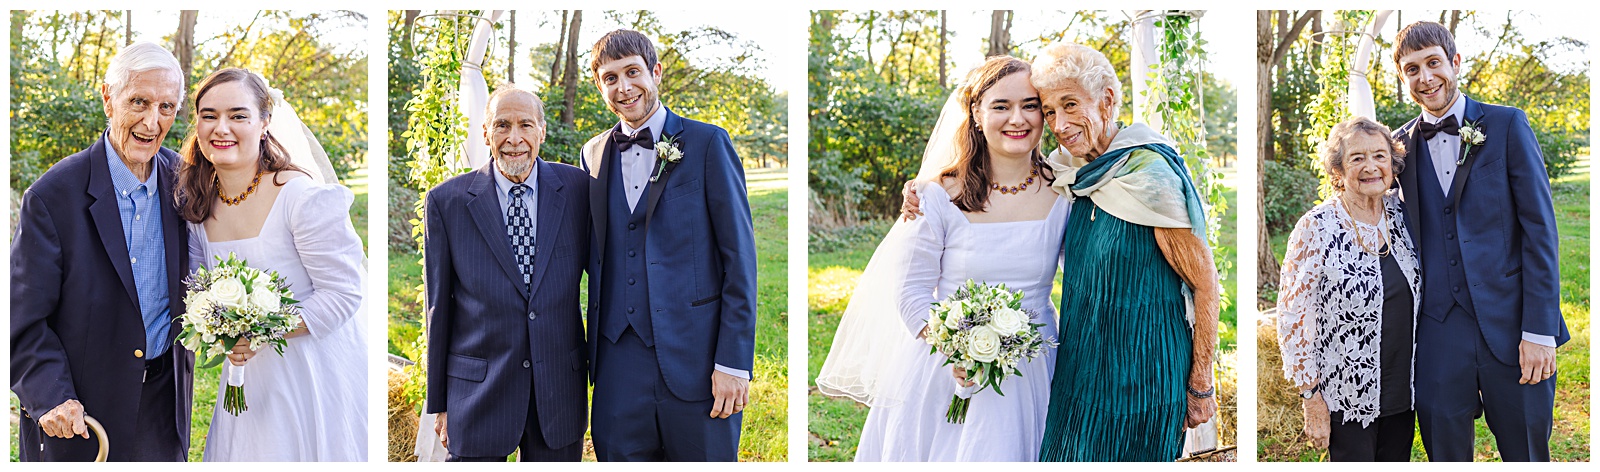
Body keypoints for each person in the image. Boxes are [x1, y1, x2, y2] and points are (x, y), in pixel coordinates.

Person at [904, 43, 1220, 461]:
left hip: (1142, 368)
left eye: (1069, 105)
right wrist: (919, 190)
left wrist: (1200, 385)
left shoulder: (1148, 174)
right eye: (1050, 110)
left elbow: (1205, 284)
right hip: (1078, 366)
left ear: (1107, 100)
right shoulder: (1071, 175)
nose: (1059, 123)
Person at [818, 55, 1067, 461]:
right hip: (943, 366)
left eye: (1030, 105)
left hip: (1034, 369)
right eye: (1001, 106)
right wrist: (959, 349)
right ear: (976, 112)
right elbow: (912, 292)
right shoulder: (936, 195)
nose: (1017, 119)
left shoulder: (1065, 190)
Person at [1387, 21, 1566, 462]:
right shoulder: (1397, 147)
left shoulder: (1507, 125)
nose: (1425, 78)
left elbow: (1540, 231)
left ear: (1455, 62)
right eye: (1412, 70)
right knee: (1445, 454)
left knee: (1526, 452)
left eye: (1433, 63)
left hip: (1513, 325)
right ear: (1402, 77)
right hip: (1437, 332)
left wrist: (1539, 331)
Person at [578, 29, 758, 462]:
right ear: (599, 86)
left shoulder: (708, 143)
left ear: (655, 72)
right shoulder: (591, 155)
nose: (624, 88)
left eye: (633, 72)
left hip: (697, 362)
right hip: (617, 362)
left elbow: (740, 261)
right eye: (610, 78)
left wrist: (733, 364)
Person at [11, 41, 194, 462]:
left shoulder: (185, 184)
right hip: (80, 412)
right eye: (139, 102)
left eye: (167, 107)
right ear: (108, 99)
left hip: (165, 403)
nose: (153, 121)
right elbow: (21, 322)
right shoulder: (52, 196)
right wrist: (52, 397)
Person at [175, 68, 368, 461]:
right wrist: (220, 331)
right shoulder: (198, 204)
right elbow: (196, 291)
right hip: (247, 380)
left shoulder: (300, 197)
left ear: (264, 122)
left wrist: (260, 332)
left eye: (238, 116)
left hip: (309, 376)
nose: (221, 127)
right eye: (208, 115)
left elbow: (344, 292)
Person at [424, 84, 592, 462]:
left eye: (525, 125)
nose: (514, 139)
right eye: (502, 125)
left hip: (558, 393)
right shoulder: (446, 202)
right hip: (478, 394)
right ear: (485, 132)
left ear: (541, 132)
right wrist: (440, 403)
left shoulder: (580, 191)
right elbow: (439, 308)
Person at [1278, 117, 1421, 461]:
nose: (1371, 167)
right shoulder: (1316, 227)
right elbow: (1292, 317)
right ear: (1338, 169)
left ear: (1393, 163)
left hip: (1405, 392)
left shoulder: (1402, 216)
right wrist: (1311, 398)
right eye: (1357, 158)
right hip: (1346, 396)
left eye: (1380, 156)